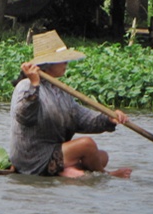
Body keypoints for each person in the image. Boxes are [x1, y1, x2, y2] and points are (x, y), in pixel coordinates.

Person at [10, 30, 132, 178]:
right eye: (62, 60)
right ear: (48, 65)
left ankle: (65, 170)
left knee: (101, 157)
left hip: (54, 152)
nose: (66, 63)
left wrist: (109, 118)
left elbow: (81, 118)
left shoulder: (61, 91)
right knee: (87, 145)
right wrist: (35, 85)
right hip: (33, 157)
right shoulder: (26, 86)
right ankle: (107, 175)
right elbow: (25, 116)